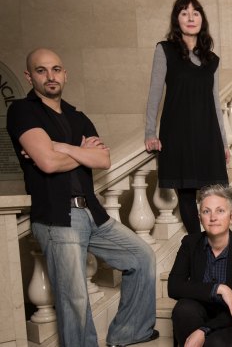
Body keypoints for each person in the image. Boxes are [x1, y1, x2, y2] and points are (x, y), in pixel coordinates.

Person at [6, 48, 158, 347]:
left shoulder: (78, 116)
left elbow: (103, 160)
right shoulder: (23, 111)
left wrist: (58, 147)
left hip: (93, 213)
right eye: (41, 70)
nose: (50, 76)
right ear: (29, 76)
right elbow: (48, 164)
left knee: (142, 257)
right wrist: (82, 153)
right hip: (58, 217)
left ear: (65, 74)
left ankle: (128, 333)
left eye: (56, 69)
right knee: (74, 297)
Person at [145, 0, 229, 235]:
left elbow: (214, 101)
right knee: (186, 195)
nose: (191, 18)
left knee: (214, 197)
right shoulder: (165, 50)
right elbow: (154, 94)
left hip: (207, 135)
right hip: (178, 134)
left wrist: (223, 142)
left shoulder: (211, 59)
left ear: (202, 18)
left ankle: (214, 245)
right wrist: (150, 132)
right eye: (184, 13)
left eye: (195, 13)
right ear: (176, 19)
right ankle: (197, 247)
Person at [168, 184, 232, 347]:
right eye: (207, 211)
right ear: (200, 217)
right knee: (183, 309)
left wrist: (203, 330)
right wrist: (219, 289)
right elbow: (174, 287)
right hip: (199, 313)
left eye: (220, 211)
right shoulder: (190, 244)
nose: (213, 217)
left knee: (215, 342)